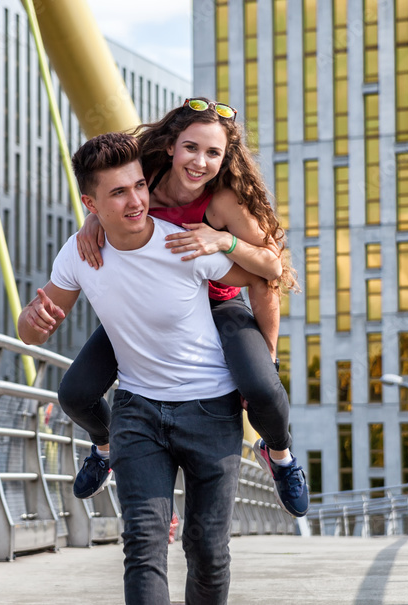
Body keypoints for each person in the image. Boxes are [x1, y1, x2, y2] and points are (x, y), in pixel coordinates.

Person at [18, 132, 258, 604]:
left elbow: (262, 274)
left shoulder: (183, 245)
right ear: (90, 203)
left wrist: (229, 242)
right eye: (118, 193)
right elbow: (34, 329)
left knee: (207, 550)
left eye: (139, 187)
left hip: (211, 410)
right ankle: (104, 447)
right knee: (144, 546)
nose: (135, 202)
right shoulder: (80, 253)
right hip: (138, 413)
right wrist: (31, 320)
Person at [61, 98, 308, 517]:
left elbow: (271, 267)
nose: (200, 161)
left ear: (225, 157)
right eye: (191, 148)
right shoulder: (146, 178)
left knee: (264, 389)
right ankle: (105, 448)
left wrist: (223, 241)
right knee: (76, 393)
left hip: (217, 306)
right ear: (172, 145)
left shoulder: (223, 200)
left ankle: (279, 456)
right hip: (157, 308)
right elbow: (108, 194)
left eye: (213, 153)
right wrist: (94, 221)